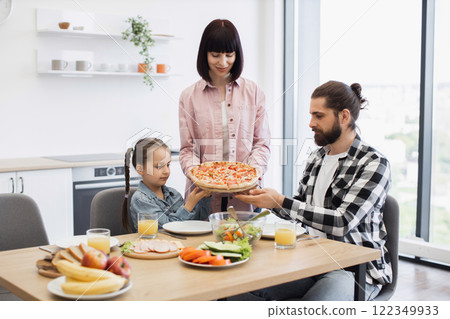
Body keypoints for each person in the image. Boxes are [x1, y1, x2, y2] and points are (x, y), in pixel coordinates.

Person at [235, 81, 392, 301]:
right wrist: (267, 200)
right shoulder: (317, 158)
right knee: (239, 290)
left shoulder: (373, 163)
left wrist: (280, 201)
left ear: (344, 116)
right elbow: (300, 207)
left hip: (354, 270)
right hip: (312, 260)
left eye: (319, 116)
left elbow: (342, 222)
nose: (311, 123)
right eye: (311, 115)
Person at [179, 19, 271, 214]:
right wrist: (200, 176)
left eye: (229, 55)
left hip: (245, 197)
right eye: (215, 55)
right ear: (204, 54)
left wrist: (249, 175)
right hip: (202, 196)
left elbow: (261, 144)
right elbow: (188, 149)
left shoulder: (253, 92)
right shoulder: (189, 96)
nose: (223, 62)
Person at [121, 138, 211, 232]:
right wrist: (189, 205)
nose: (166, 171)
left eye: (168, 165)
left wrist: (204, 197)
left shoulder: (174, 194)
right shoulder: (140, 200)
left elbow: (193, 223)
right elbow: (166, 229)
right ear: (140, 169)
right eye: (159, 166)